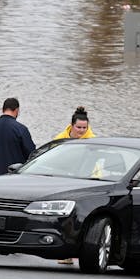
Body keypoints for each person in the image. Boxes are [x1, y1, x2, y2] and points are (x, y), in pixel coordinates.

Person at [55, 106, 96, 265]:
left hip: (86, 181)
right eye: (79, 127)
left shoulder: (93, 140)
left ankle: (82, 252)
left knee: (81, 218)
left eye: (84, 128)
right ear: (71, 125)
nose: (81, 131)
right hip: (63, 181)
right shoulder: (60, 139)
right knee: (64, 219)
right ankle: (66, 254)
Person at [0, 98, 35, 176]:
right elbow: (31, 154)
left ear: (3, 110)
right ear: (16, 110)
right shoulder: (21, 129)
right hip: (17, 176)